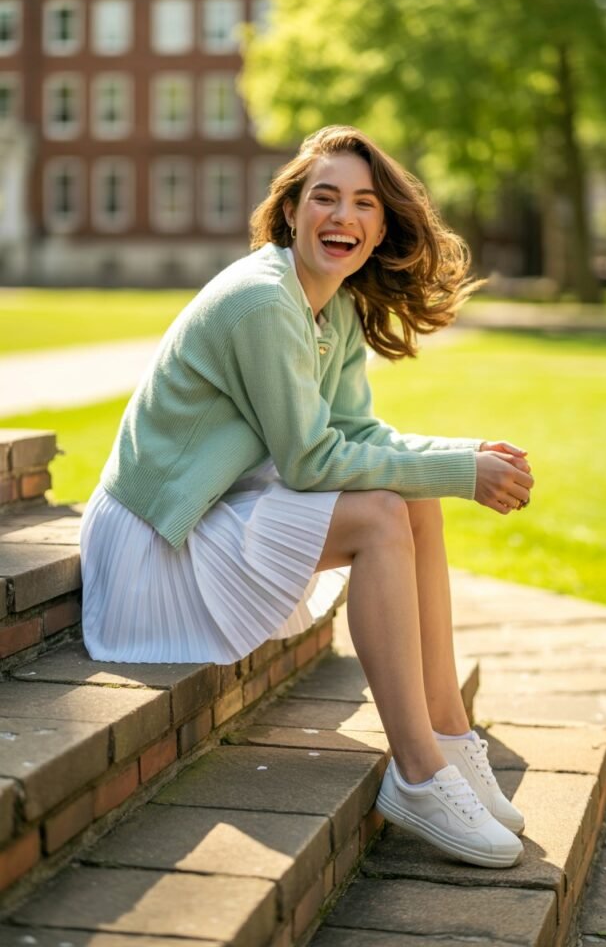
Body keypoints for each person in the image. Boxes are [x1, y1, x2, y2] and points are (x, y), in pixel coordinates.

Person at [80, 124, 534, 870]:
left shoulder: (336, 308)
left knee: (409, 498)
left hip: (209, 520)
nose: (342, 217)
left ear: (381, 225)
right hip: (153, 545)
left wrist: (461, 456)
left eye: (362, 204)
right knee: (385, 511)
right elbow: (312, 458)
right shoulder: (263, 301)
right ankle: (418, 774)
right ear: (291, 211)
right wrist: (462, 475)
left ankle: (449, 733)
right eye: (324, 197)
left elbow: (361, 432)